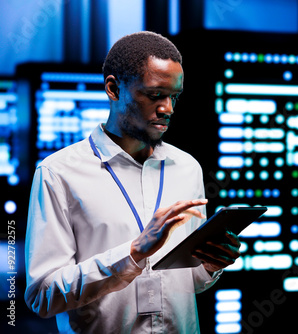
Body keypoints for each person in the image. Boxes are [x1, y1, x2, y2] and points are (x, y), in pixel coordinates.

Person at [24, 31, 241, 333]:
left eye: (174, 97)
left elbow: (187, 284)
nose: (168, 109)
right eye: (155, 95)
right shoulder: (58, 173)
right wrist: (134, 253)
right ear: (113, 89)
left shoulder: (187, 168)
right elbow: (42, 296)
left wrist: (210, 265)